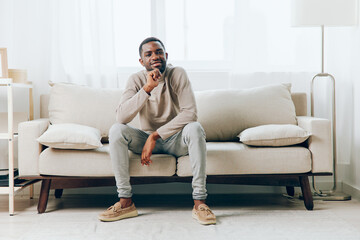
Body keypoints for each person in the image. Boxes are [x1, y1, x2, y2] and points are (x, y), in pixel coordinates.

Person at [98, 37, 216, 225]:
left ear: (166, 55)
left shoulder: (178, 74)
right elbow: (121, 117)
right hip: (143, 139)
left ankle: (200, 203)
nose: (155, 56)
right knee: (116, 130)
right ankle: (125, 202)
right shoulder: (135, 79)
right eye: (149, 54)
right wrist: (147, 88)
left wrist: (155, 135)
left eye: (159, 52)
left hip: (175, 140)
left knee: (195, 128)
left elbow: (190, 113)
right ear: (141, 61)